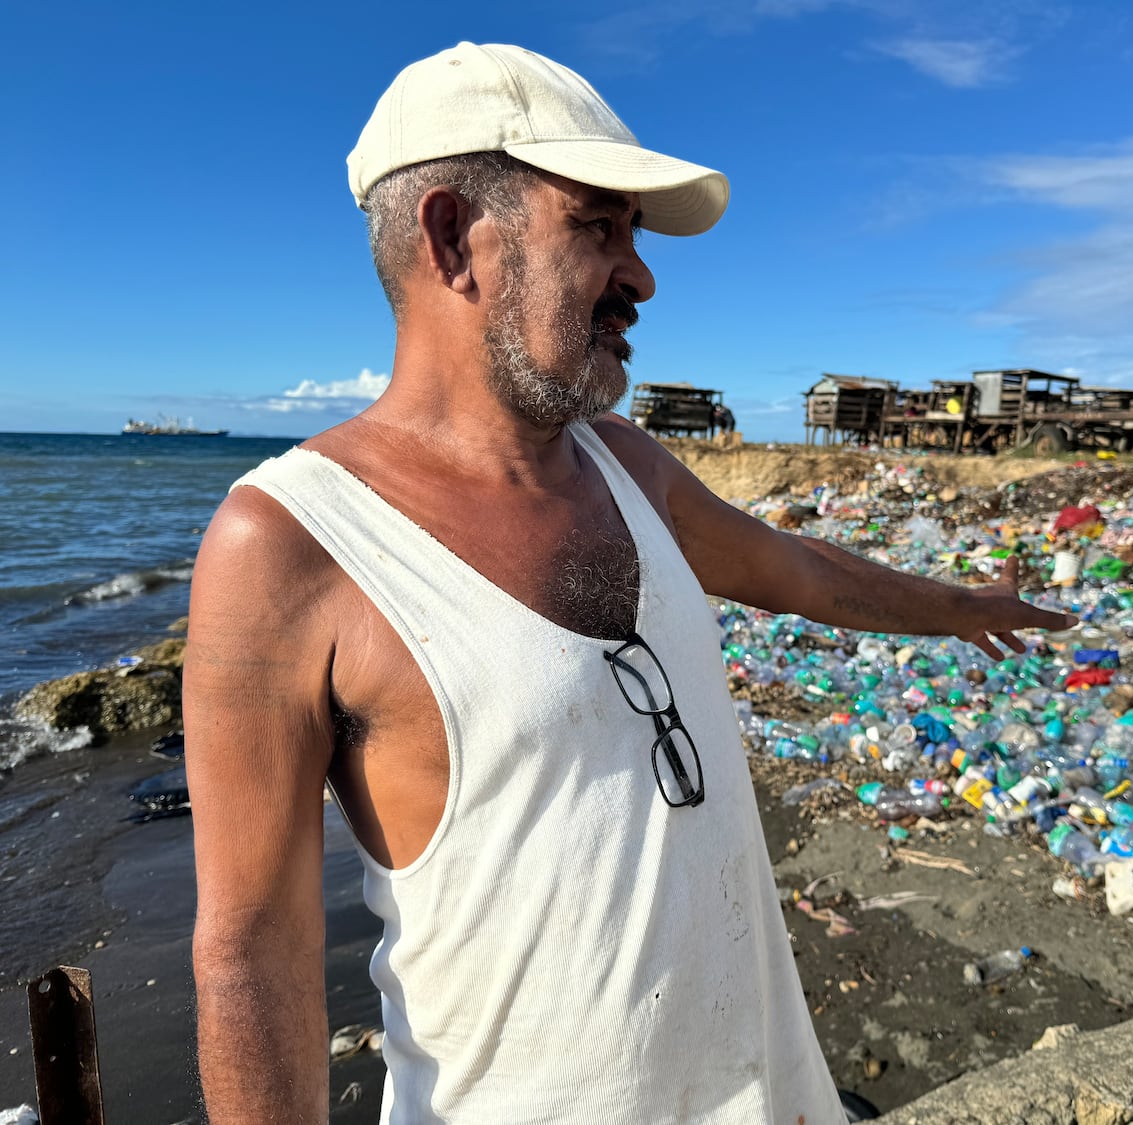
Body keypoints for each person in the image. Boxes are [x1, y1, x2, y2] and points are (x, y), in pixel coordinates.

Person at [185, 42, 1076, 1124]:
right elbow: (254, 953)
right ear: (451, 236)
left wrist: (962, 610)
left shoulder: (624, 461)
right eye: (598, 226)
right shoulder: (293, 539)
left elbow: (791, 567)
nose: (643, 276)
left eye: (634, 235)